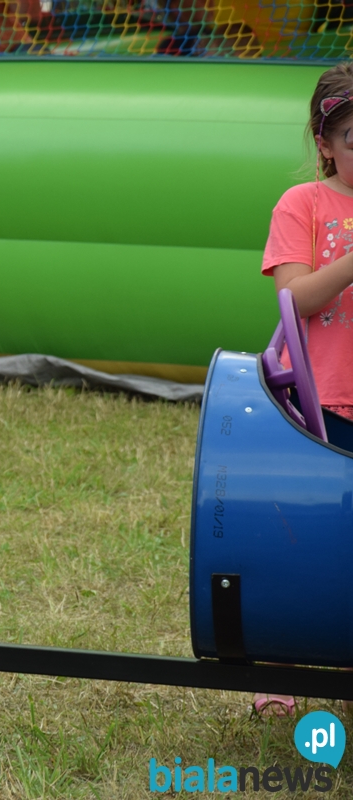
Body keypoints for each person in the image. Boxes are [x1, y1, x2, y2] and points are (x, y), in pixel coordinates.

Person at [258, 61, 353, 718]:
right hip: (321, 405)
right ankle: (279, 667)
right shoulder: (305, 204)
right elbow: (294, 298)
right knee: (302, 537)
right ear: (325, 145)